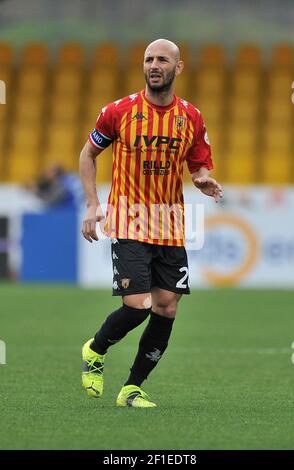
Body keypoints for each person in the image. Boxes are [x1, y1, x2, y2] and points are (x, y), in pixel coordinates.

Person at [79, 38, 223, 408]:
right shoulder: (118, 111)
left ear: (179, 67)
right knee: (138, 305)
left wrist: (203, 178)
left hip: (171, 223)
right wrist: (94, 203)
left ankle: (132, 388)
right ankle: (95, 350)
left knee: (167, 308)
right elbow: (88, 154)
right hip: (128, 220)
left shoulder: (191, 116)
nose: (153, 65)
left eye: (162, 59)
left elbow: (199, 162)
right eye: (148, 59)